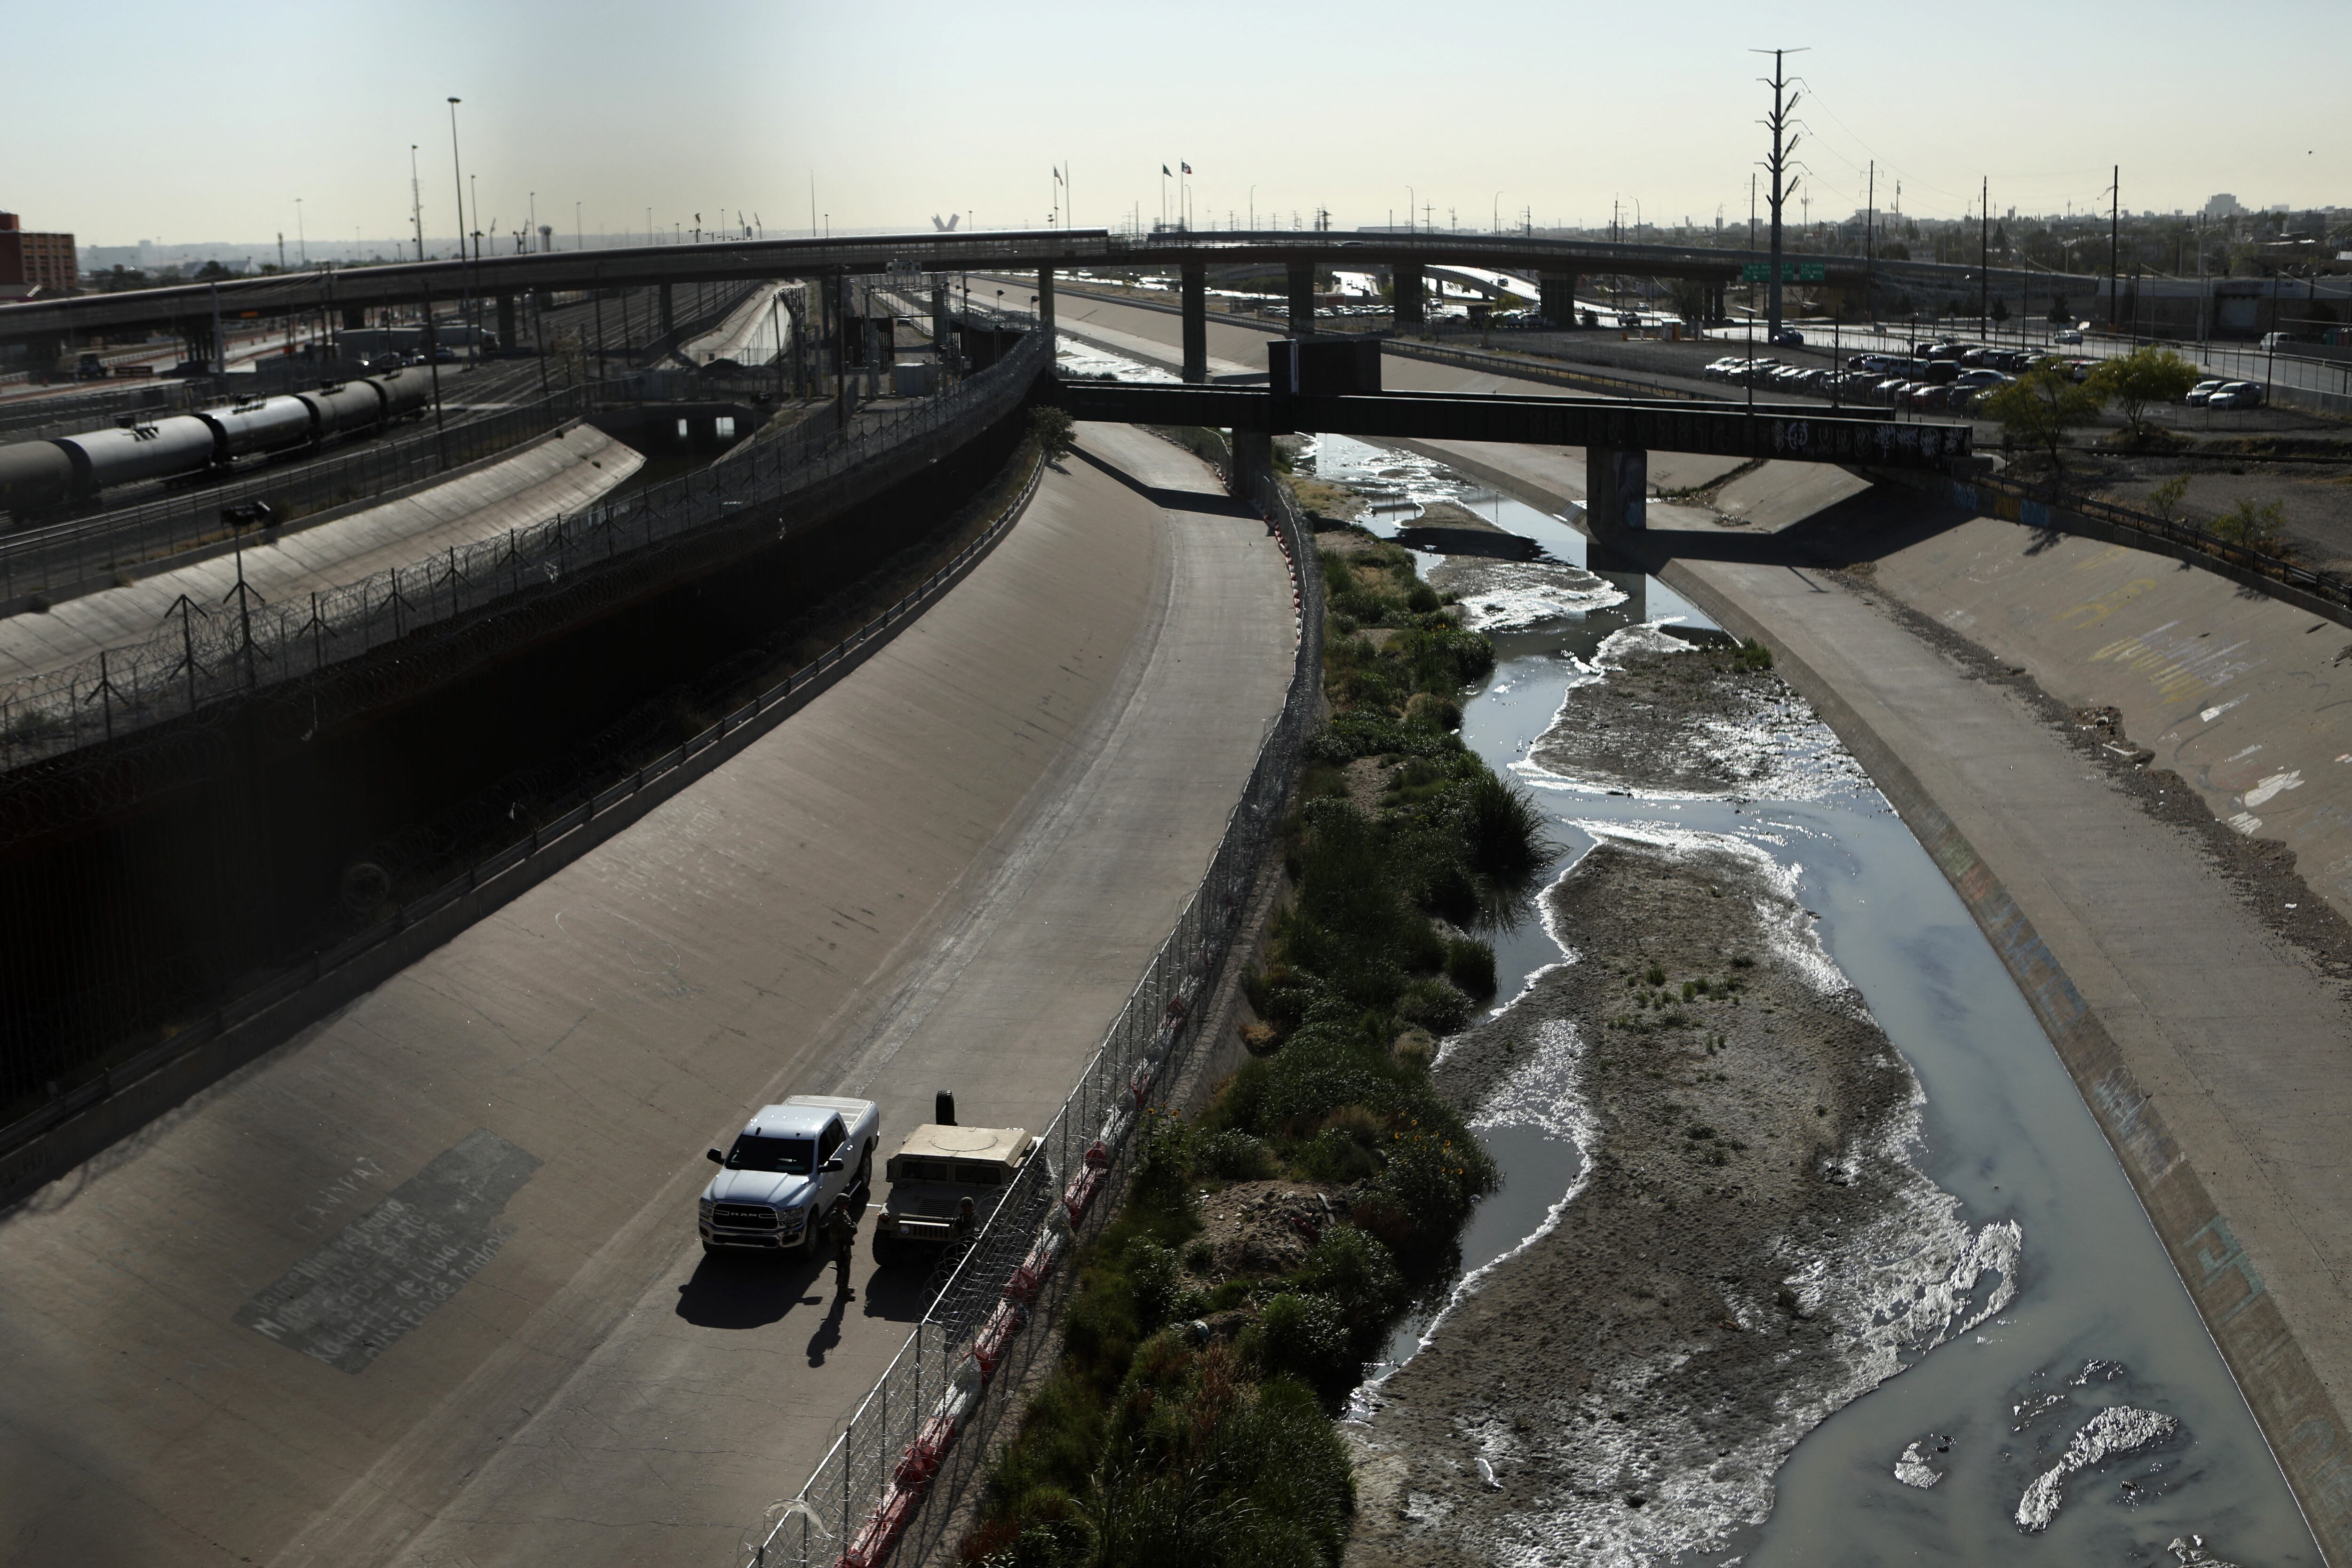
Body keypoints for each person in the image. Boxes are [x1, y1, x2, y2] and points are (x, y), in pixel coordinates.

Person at [831, 1204, 858, 1300]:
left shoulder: (844, 1213)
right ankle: (842, 1290)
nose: (848, 1204)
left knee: (847, 1267)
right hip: (840, 1246)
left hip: (846, 1244)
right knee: (842, 1268)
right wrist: (837, 1251)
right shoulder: (835, 1217)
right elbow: (834, 1236)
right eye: (846, 1203)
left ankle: (845, 1287)